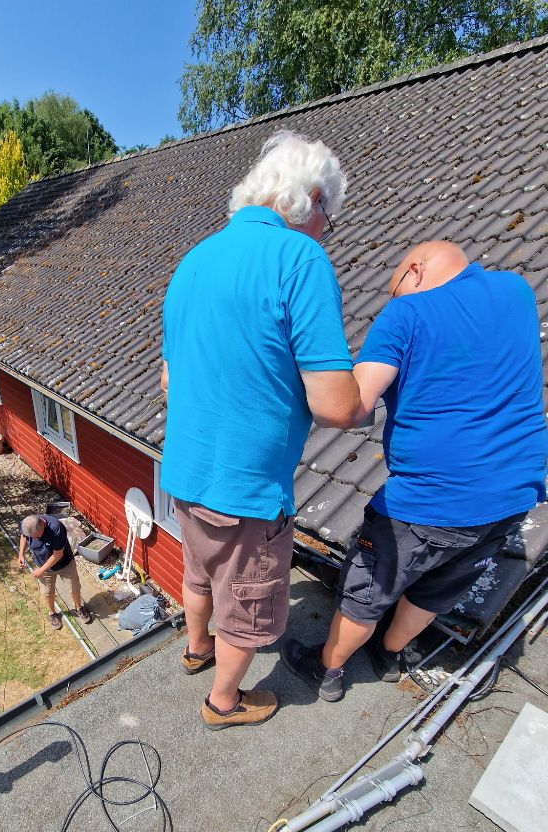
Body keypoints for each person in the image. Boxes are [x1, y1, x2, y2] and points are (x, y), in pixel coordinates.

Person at [282, 240, 548, 698]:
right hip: (513, 495)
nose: (394, 302)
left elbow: (351, 407)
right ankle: (390, 654)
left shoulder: (406, 316)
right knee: (442, 586)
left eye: (396, 291)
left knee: (367, 591)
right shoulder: (517, 290)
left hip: (430, 501)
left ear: (415, 271)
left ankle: (327, 669)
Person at [160, 131, 361, 731]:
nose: (328, 229)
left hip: (186, 475)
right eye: (331, 214)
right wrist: (363, 396)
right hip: (246, 491)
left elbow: (171, 384)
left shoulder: (192, 262)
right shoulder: (301, 260)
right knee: (247, 603)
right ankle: (223, 702)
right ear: (312, 198)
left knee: (198, 571)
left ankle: (196, 650)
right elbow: (334, 404)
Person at [18, 514, 93, 629]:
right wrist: (21, 554)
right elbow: (24, 536)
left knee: (75, 588)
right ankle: (52, 613)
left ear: (42, 524)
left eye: (37, 536)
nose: (34, 539)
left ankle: (79, 608)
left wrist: (41, 571)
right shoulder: (27, 524)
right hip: (42, 564)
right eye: (31, 537)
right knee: (48, 592)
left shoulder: (56, 528)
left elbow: (57, 555)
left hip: (64, 564)